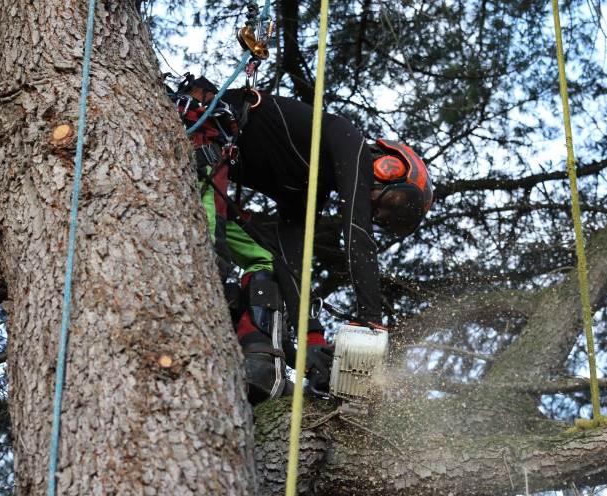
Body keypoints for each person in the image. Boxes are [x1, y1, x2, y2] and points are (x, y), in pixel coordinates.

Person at [174, 76, 434, 403]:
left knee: (266, 261)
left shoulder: (306, 191)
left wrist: (311, 342)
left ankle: (259, 362)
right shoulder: (349, 141)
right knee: (208, 251)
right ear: (388, 165)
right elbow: (358, 233)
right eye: (391, 205)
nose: (379, 214)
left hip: (208, 173)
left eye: (388, 218)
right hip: (201, 134)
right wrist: (371, 323)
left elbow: (290, 265)